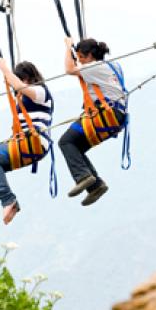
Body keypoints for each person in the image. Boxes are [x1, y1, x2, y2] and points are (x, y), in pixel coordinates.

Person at [0, 59, 54, 225]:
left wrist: (4, 69)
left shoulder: (41, 92)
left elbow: (20, 87)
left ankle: (8, 200)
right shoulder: (23, 97)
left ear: (27, 78)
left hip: (35, 140)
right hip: (25, 142)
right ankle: (9, 200)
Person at [60, 37, 127, 206]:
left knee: (66, 142)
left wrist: (68, 47)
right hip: (116, 116)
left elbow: (69, 69)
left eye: (81, 57)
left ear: (90, 56)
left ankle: (83, 177)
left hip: (105, 114)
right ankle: (96, 185)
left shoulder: (93, 67)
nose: (80, 61)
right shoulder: (113, 66)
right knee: (76, 148)